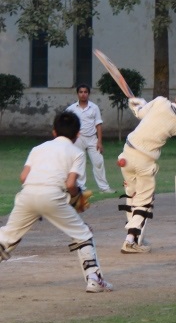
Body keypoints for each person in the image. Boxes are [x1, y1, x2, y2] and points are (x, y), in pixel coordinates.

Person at [0, 112, 114, 293]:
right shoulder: (76, 152)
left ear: (54, 132)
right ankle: (94, 279)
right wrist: (76, 197)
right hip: (52, 195)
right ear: (78, 135)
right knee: (83, 233)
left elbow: (23, 177)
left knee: (7, 236)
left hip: (27, 194)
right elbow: (70, 184)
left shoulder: (38, 148)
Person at [118, 91, 176, 254]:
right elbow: (152, 118)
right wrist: (141, 105)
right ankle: (131, 240)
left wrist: (138, 104)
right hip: (144, 161)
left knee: (132, 196)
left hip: (126, 155)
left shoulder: (160, 102)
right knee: (144, 201)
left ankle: (133, 237)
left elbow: (141, 114)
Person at [66, 83, 114, 193]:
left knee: (98, 162)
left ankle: (104, 188)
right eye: (81, 92)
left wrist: (100, 141)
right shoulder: (71, 109)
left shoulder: (94, 107)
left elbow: (98, 124)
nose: (83, 94)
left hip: (92, 138)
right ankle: (81, 189)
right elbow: (66, 124)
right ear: (77, 94)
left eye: (85, 92)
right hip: (78, 139)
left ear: (88, 94)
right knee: (80, 163)